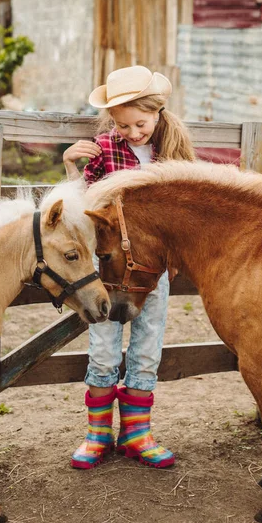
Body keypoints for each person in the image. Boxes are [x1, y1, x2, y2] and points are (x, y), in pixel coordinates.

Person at [63, 65, 195, 469]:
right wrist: (71, 166)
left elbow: (186, 212)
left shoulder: (173, 155)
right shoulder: (104, 150)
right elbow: (82, 205)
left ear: (157, 114)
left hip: (154, 270)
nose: (133, 133)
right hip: (112, 270)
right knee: (103, 349)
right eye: (123, 126)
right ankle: (98, 434)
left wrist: (174, 257)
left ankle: (138, 433)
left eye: (140, 123)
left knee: (146, 349)